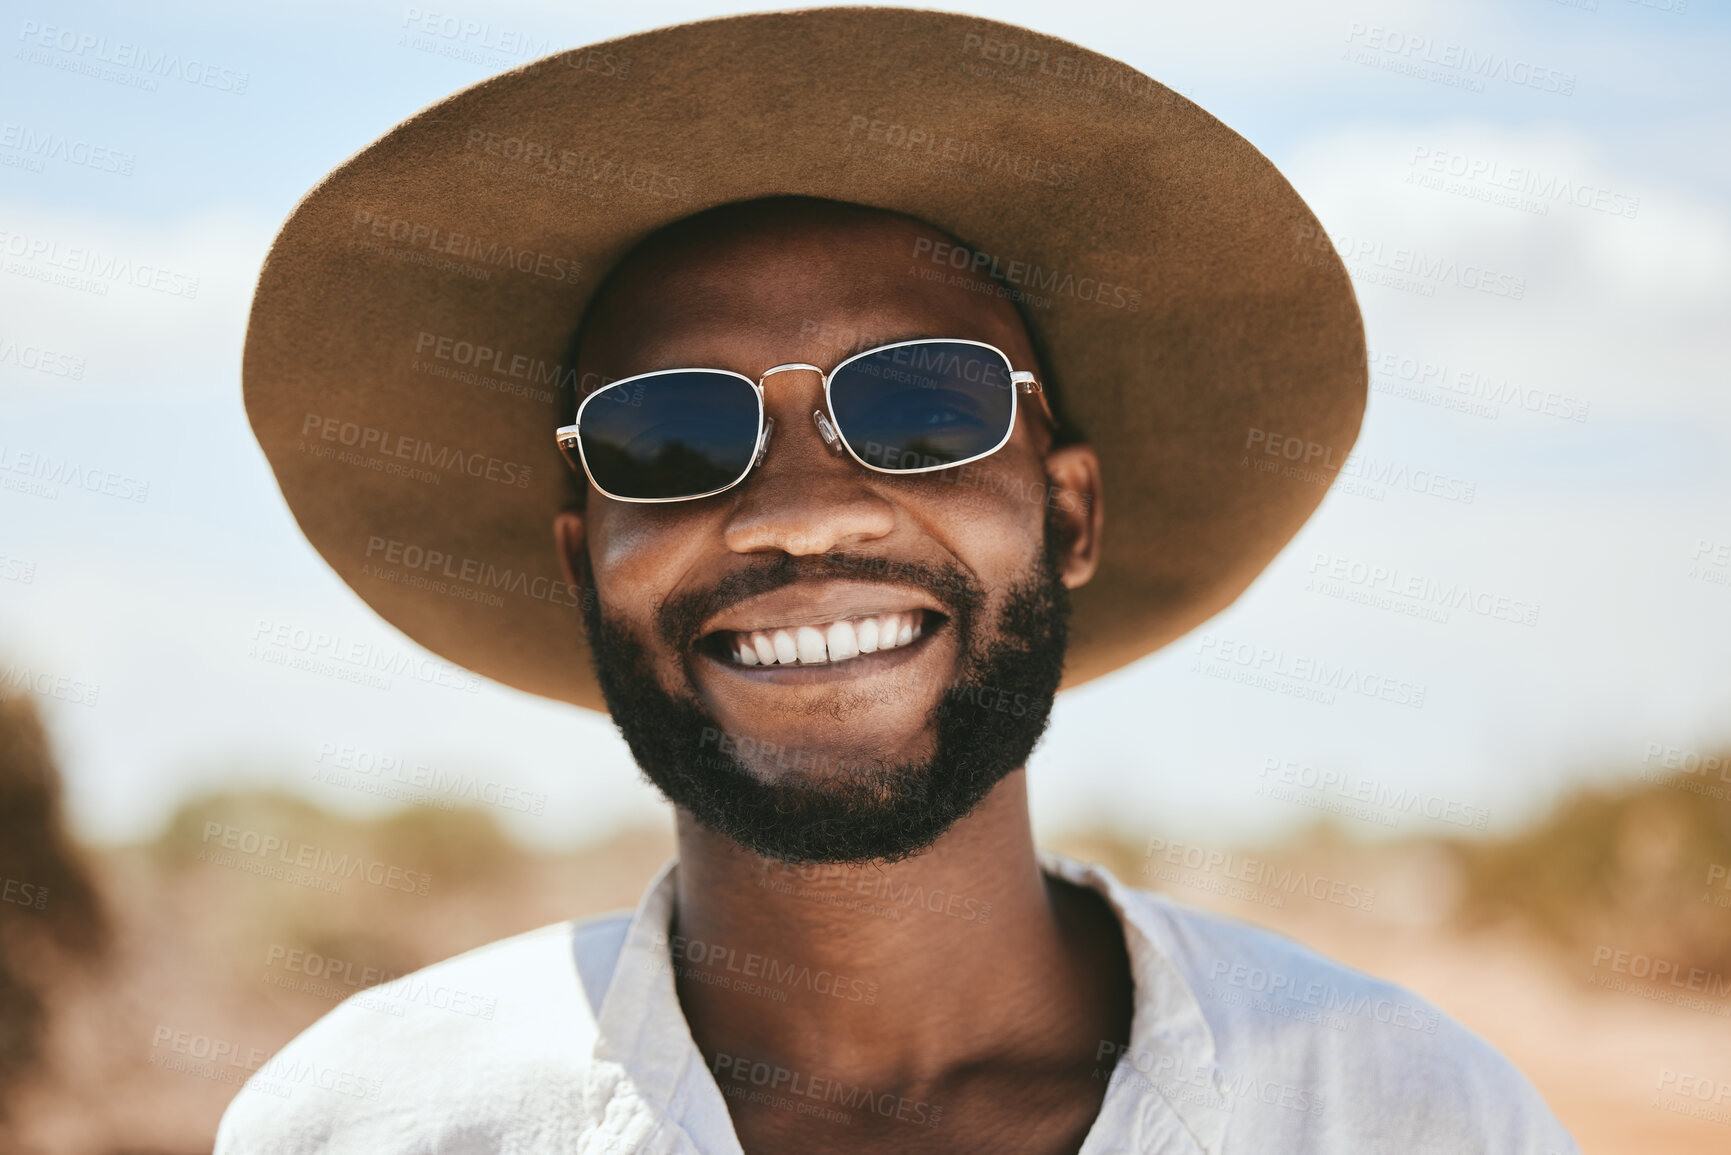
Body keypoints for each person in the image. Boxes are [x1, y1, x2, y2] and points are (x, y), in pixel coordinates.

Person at [217, 10, 1579, 1153]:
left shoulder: (1407, 1117)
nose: (802, 516)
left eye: (923, 408)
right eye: (672, 435)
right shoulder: (368, 1125)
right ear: (585, 562)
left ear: (1069, 509)